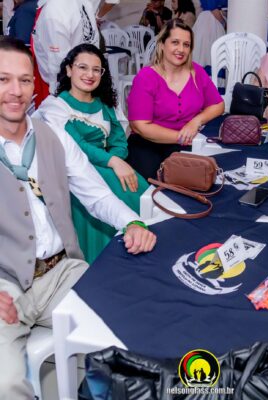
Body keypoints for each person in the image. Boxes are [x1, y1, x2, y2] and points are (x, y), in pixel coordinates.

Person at [0, 37, 156, 400]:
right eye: (3, 79)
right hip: (6, 286)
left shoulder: (52, 136)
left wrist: (133, 223)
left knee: (133, 322)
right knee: (5, 382)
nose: (16, 91)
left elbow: (95, 194)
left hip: (61, 273)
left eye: (24, 80)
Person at [34, 44, 149, 263]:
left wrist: (116, 160)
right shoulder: (56, 106)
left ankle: (139, 240)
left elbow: (119, 141)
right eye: (83, 67)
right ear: (69, 70)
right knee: (110, 183)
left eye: (96, 70)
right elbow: (77, 145)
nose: (90, 74)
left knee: (131, 187)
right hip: (72, 172)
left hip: (109, 166)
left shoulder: (106, 106)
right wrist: (112, 161)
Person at [127, 18, 224, 180]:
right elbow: (140, 126)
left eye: (186, 45)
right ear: (162, 44)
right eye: (175, 42)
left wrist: (195, 122)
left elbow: (218, 105)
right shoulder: (146, 77)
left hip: (185, 143)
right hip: (148, 144)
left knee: (203, 177)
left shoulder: (196, 72)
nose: (181, 49)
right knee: (155, 181)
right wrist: (181, 137)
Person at [31, 0, 120, 107]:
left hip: (66, 88)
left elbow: (58, 66)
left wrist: (57, 100)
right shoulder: (82, 4)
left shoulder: (55, 11)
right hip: (78, 82)